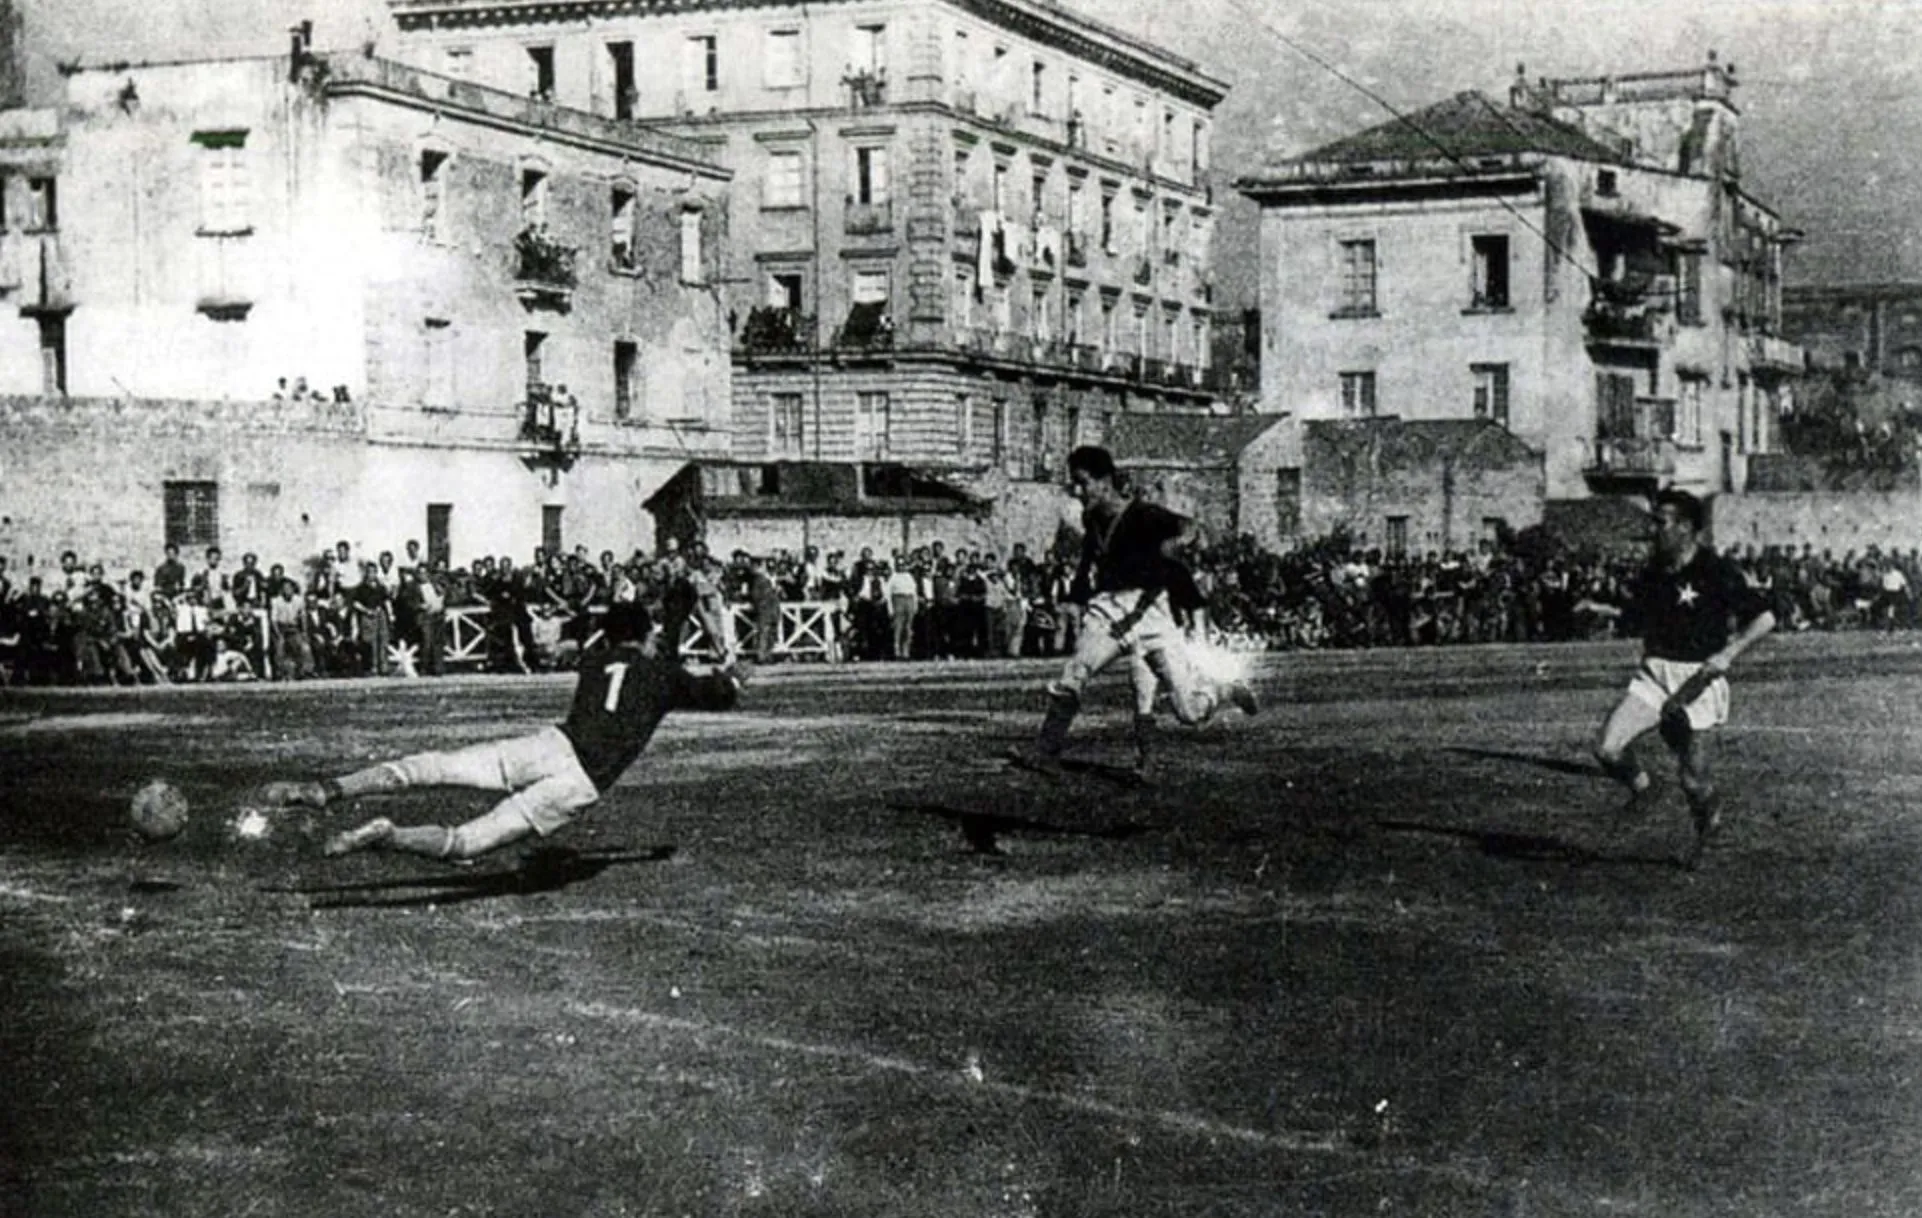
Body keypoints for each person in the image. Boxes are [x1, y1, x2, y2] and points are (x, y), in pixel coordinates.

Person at [262, 603, 750, 861]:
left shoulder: (597, 659)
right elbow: (715, 694)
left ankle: (331, 790)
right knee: (469, 842)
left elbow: (618, 650)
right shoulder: (663, 675)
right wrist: (731, 674)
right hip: (581, 779)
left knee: (430, 766)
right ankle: (388, 836)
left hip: (551, 744)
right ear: (647, 636)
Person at [1008, 445, 1257, 780]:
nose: (1078, 492)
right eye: (1074, 484)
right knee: (1076, 671)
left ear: (1105, 481)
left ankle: (1224, 690)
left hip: (1151, 615)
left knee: (1189, 712)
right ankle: (1046, 751)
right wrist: (1074, 597)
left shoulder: (1144, 515)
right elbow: (1087, 561)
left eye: (1083, 483)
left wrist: (1177, 544)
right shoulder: (1091, 517)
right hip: (1109, 611)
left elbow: (1191, 527)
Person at [1592, 489, 1775, 867]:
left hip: (1698, 681)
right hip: (1655, 674)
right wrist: (1600, 609)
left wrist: (1728, 652)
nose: (1653, 529)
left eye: (1661, 522)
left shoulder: (1716, 570)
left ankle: (1711, 829)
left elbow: (1766, 617)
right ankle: (1645, 788)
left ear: (1687, 528)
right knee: (1608, 749)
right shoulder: (1655, 572)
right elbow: (1636, 615)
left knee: (1694, 781)